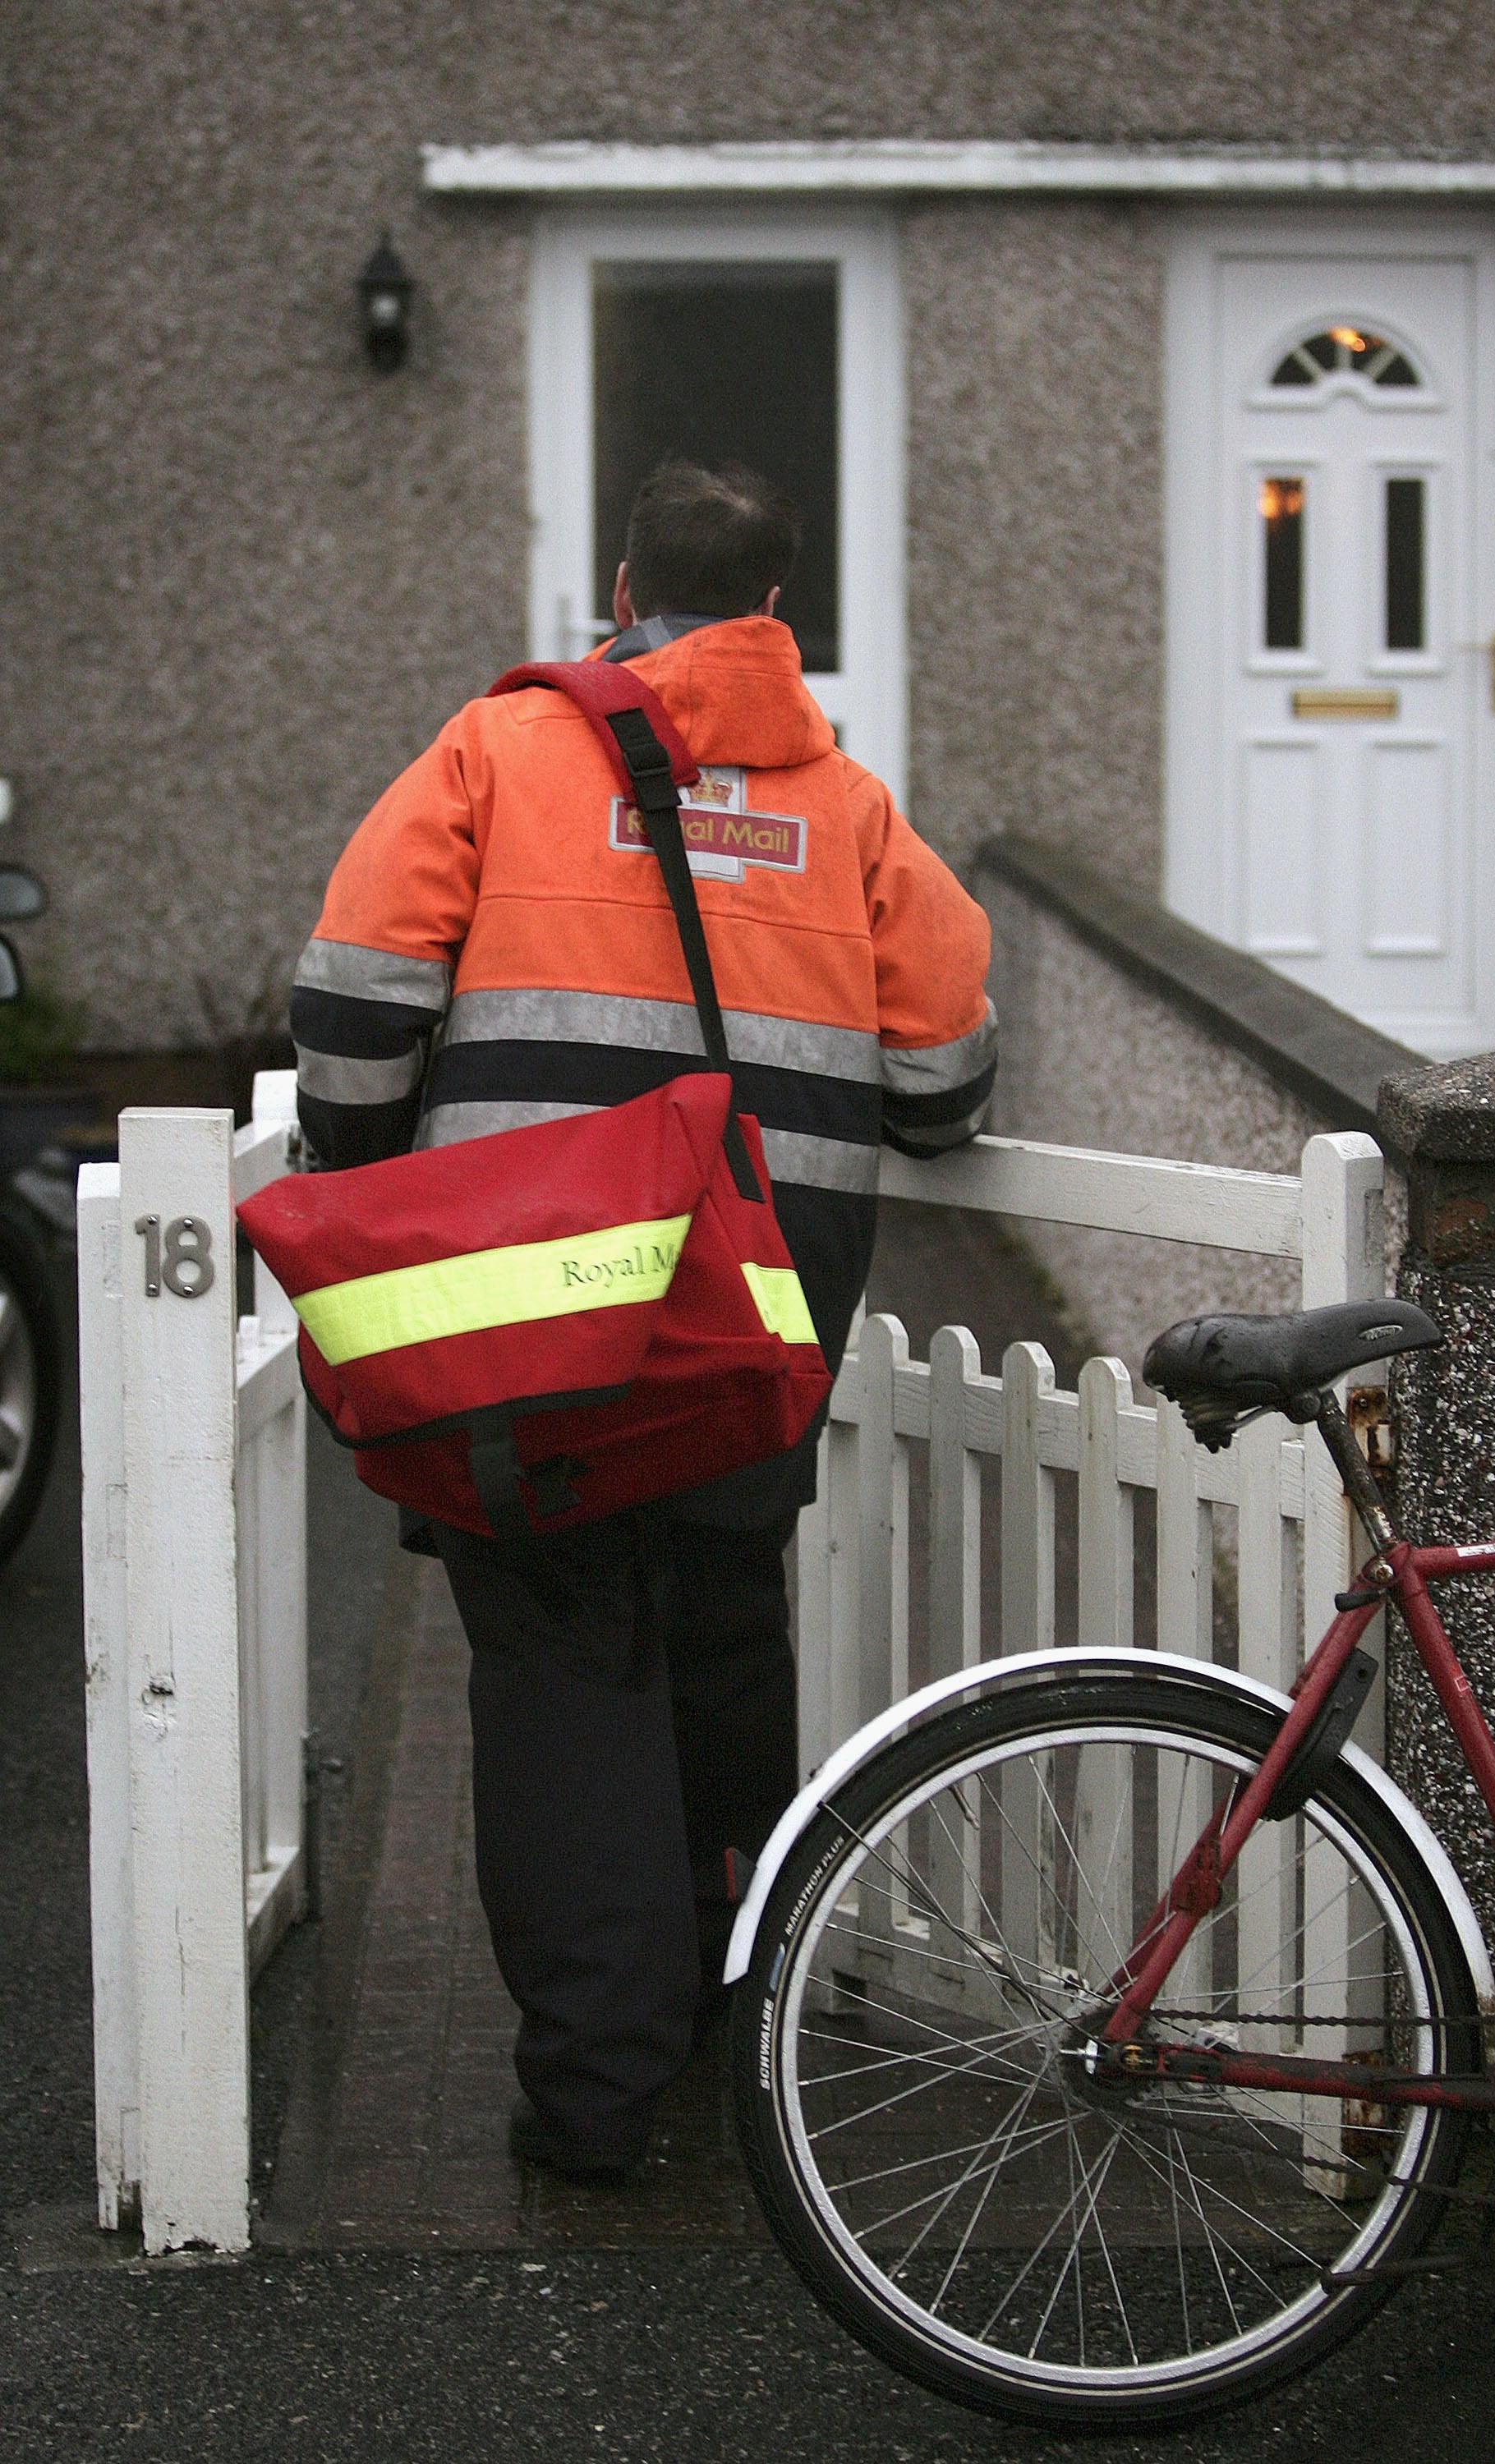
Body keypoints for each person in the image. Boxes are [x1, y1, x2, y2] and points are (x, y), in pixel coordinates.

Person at [289, 458, 997, 2180]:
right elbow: (944, 1080)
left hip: (535, 1309)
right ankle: (718, 2029)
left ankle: (596, 2092)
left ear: (622, 592)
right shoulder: (854, 814)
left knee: (552, 1654)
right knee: (719, 1624)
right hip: (755, 1313)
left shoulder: (499, 745)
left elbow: (357, 994)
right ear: (776, 615)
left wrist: (376, 1170)